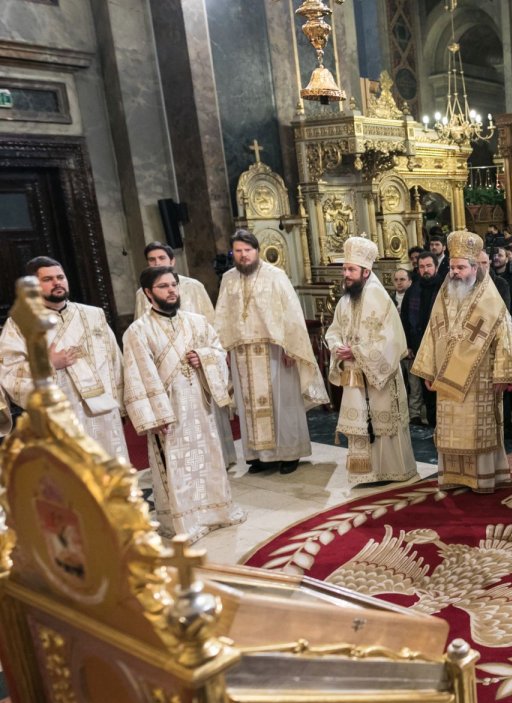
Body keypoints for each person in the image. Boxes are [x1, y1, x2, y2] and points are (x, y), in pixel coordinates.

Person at [123, 266, 244, 540]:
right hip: (169, 411)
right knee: (177, 465)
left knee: (207, 457)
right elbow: (138, 376)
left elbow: (217, 349)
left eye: (173, 285)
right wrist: (156, 416)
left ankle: (215, 512)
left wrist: (204, 357)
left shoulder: (196, 321)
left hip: (198, 405)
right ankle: (185, 520)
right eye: (164, 286)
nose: (172, 290)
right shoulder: (137, 331)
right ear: (148, 293)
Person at [412, 230, 512, 492]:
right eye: (452, 267)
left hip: (480, 378)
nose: (455, 272)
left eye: (461, 267)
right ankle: (453, 476)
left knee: (477, 429)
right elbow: (433, 331)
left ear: (475, 268)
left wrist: (502, 375)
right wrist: (428, 369)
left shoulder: (490, 299)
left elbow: (505, 335)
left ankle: (483, 478)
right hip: (445, 377)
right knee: (451, 429)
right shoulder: (445, 295)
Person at [212, 229, 327, 475]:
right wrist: (222, 348)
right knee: (249, 406)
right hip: (242, 353)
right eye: (238, 251)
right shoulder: (229, 278)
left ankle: (289, 453)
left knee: (282, 403)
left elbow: (292, 313)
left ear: (257, 251)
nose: (243, 256)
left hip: (274, 349)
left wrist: (291, 347)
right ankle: (260, 456)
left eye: (247, 250)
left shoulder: (276, 276)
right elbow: (222, 315)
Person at [0, 256, 128, 462]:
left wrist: (121, 406)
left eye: (60, 277)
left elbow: (116, 361)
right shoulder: (19, 324)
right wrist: (48, 365)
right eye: (48, 279)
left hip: (104, 414)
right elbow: (9, 373)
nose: (57, 282)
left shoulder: (94, 315)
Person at [325, 237, 419, 487]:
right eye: (344, 268)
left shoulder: (378, 297)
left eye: (351, 269)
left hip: (380, 374)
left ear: (366, 272)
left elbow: (392, 339)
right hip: (355, 373)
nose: (346, 274)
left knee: (382, 422)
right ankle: (366, 473)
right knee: (362, 423)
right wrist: (337, 347)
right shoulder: (345, 300)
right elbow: (333, 330)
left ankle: (390, 470)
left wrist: (357, 351)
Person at [400, 251, 443, 425]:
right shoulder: (413, 289)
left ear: (436, 267)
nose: (425, 270)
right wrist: (408, 346)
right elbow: (404, 319)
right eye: (422, 267)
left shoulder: (444, 287)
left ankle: (444, 424)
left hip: (440, 345)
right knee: (426, 389)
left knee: (441, 387)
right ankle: (432, 423)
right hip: (419, 346)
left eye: (429, 266)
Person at [135, 242, 216, 323]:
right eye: (152, 260)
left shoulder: (194, 286)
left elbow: (210, 320)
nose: (157, 263)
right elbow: (139, 325)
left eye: (162, 258)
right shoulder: (142, 293)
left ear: (172, 261)